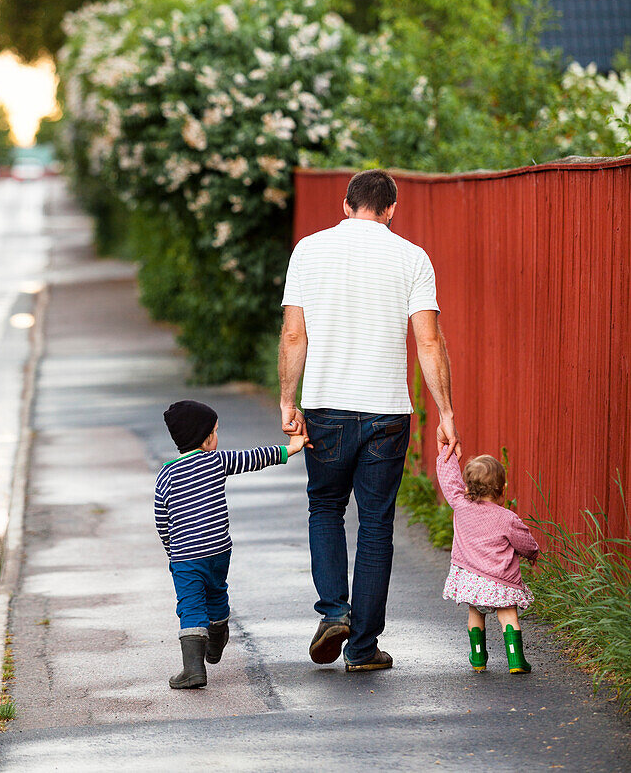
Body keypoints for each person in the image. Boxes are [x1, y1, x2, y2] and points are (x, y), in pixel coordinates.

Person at [279, 168, 460, 672]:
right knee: (377, 525)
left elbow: (294, 335)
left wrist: (287, 400)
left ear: (345, 204)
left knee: (326, 509)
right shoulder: (412, 258)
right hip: (387, 411)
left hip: (326, 408)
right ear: (391, 210)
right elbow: (429, 341)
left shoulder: (309, 251)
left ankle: (334, 610)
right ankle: (362, 649)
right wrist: (446, 412)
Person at [154, 398, 307, 689]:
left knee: (190, 605)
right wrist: (292, 448)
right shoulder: (217, 461)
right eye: (215, 431)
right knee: (216, 592)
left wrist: (170, 550)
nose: (217, 436)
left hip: (186, 556)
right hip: (219, 550)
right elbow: (255, 457)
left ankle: (193, 669)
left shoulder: (167, 474)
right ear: (206, 437)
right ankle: (218, 632)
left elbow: (162, 518)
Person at [436, 449, 539, 673]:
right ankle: (515, 660)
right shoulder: (507, 518)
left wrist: (447, 451)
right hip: (500, 582)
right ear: (502, 490)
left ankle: (479, 657)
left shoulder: (460, 505)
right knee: (508, 615)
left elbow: (448, 479)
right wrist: (532, 554)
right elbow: (525, 542)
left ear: (467, 488)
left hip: (471, 580)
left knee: (475, 614)